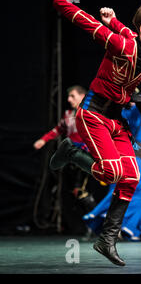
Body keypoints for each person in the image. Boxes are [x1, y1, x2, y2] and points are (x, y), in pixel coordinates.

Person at [49, 0, 141, 266]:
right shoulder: (121, 46)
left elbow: (131, 38)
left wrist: (135, 97)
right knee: (110, 171)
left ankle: (106, 240)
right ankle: (71, 152)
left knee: (130, 177)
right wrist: (62, 3)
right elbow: (87, 23)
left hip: (116, 120)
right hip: (93, 114)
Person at [83, 65, 141, 241]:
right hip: (134, 158)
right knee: (140, 194)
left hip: (120, 156)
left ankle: (114, 226)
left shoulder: (118, 111)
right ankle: (125, 227)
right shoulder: (131, 111)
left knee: (120, 191)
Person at [33, 85, 96, 214]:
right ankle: (92, 223)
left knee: (80, 191)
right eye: (68, 96)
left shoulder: (90, 113)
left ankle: (98, 222)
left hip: (86, 157)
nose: (69, 99)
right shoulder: (68, 114)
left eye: (72, 96)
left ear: (82, 96)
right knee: (74, 192)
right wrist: (43, 139)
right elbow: (58, 129)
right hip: (71, 158)